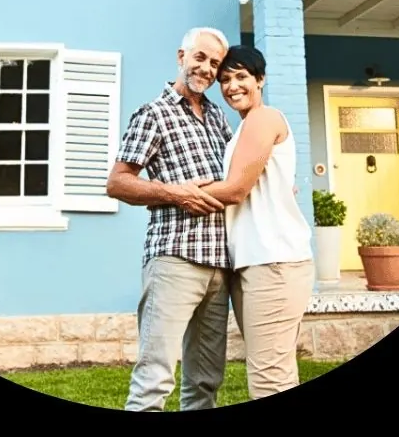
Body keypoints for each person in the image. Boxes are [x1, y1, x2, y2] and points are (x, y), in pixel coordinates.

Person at [105, 26, 235, 412]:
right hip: (174, 261)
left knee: (205, 382)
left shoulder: (217, 118)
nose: (207, 68)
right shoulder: (153, 113)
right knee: (154, 379)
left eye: (215, 63)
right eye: (200, 58)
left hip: (219, 265)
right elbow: (117, 182)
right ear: (182, 57)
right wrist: (175, 192)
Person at [196, 44, 315, 401]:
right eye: (225, 79)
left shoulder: (265, 118)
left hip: (274, 261)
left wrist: (173, 192)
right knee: (275, 371)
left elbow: (235, 190)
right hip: (254, 262)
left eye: (241, 77)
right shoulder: (244, 129)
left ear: (260, 79)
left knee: (268, 379)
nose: (232, 86)